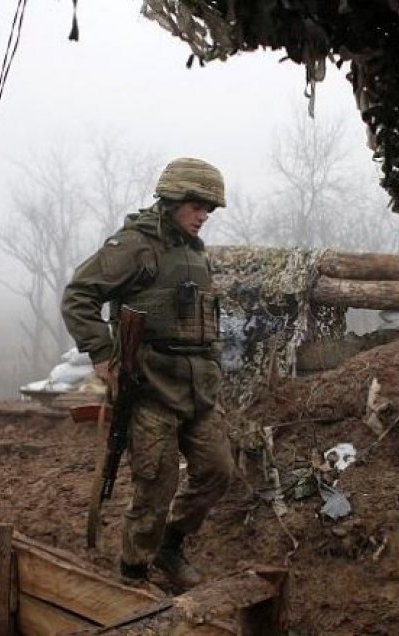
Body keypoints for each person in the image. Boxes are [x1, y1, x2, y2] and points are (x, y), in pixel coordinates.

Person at [61, 157, 234, 590]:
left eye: (209, 210)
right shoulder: (136, 245)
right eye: (198, 206)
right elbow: (79, 296)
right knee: (155, 486)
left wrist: (213, 367)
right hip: (151, 387)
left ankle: (170, 547)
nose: (203, 216)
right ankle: (133, 573)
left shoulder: (194, 252)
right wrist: (102, 353)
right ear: (174, 200)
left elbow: (203, 320)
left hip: (199, 389)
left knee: (218, 471)